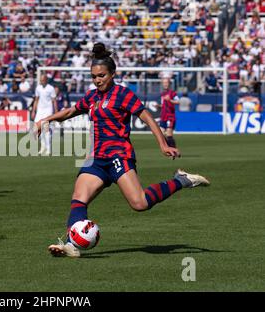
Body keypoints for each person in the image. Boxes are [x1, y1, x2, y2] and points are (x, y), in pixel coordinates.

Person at [35, 43, 210, 258]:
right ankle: (71, 244)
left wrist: (163, 144)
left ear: (112, 74)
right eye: (94, 77)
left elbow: (146, 117)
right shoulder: (92, 97)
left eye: (102, 75)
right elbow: (71, 110)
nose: (98, 80)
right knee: (78, 199)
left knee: (139, 203)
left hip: (119, 156)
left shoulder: (123, 94)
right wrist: (46, 120)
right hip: (96, 159)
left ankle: (182, 180)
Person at [31, 74, 57, 155]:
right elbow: (36, 100)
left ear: (46, 80)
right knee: (37, 128)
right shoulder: (38, 88)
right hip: (40, 110)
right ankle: (43, 147)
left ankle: (48, 149)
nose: (41, 81)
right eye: (40, 80)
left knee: (46, 130)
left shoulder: (51, 88)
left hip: (48, 110)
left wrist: (56, 112)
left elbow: (54, 100)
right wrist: (33, 111)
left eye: (42, 80)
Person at [158, 78, 180, 148]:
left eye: (166, 83)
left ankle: (174, 150)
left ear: (169, 84)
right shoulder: (162, 94)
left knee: (169, 135)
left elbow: (178, 102)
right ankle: (169, 149)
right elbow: (163, 105)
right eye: (164, 83)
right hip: (163, 116)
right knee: (160, 134)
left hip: (170, 116)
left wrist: (170, 100)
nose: (165, 84)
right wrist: (158, 106)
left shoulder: (172, 93)